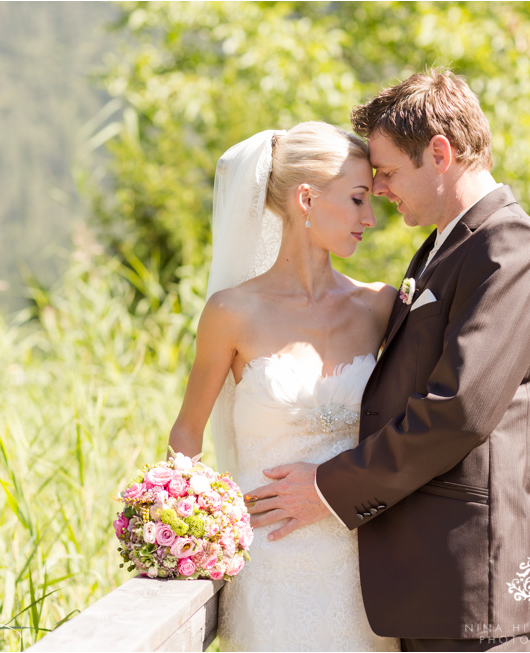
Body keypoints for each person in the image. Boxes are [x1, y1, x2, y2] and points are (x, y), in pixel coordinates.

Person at [246, 70, 530, 651]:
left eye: (388, 173)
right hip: (427, 581)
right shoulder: (446, 246)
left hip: (471, 581)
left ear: (439, 154)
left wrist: (326, 487)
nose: (383, 189)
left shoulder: (510, 248)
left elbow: (459, 410)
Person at [168, 122, 399, 651]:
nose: (371, 218)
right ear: (307, 198)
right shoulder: (231, 313)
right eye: (360, 199)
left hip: (363, 571)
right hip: (267, 571)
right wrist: (182, 525)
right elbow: (187, 433)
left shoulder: (380, 306)